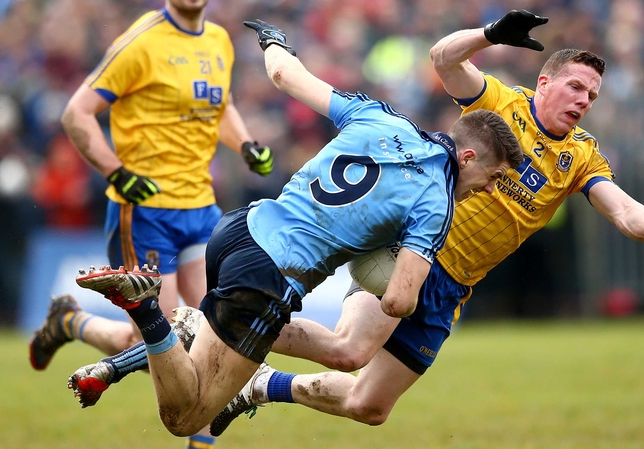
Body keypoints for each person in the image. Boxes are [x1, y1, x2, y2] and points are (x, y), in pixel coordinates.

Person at [198, 10, 644, 434]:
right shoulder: (499, 103)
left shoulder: (582, 155)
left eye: (592, 95)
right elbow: (442, 59)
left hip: (452, 288)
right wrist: (491, 34)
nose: (584, 100)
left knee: (369, 406)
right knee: (348, 351)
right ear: (545, 83)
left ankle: (262, 385)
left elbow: (623, 208)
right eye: (576, 87)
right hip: (408, 255)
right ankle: (218, 324)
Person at [71, 17, 523, 438]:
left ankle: (150, 343)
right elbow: (401, 299)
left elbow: (285, 76)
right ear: (467, 158)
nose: (489, 190)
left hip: (240, 231)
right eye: (494, 178)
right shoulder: (436, 202)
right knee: (185, 418)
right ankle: (148, 312)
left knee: (211, 362)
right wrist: (383, 264)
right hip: (272, 275)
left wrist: (274, 43)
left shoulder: (381, 117)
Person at [27, 1, 273, 448]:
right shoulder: (140, 42)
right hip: (143, 214)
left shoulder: (218, 41)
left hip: (201, 208)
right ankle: (72, 324)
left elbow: (223, 106)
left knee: (212, 337)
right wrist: (116, 171)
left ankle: (69, 323)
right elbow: (76, 113)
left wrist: (246, 145)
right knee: (164, 341)